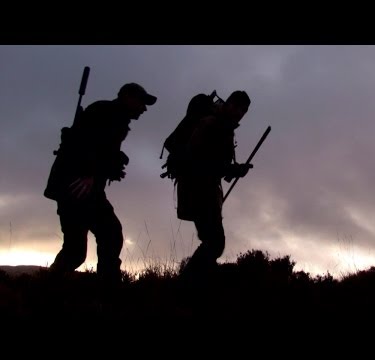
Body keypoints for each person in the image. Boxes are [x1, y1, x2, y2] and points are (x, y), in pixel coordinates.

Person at [44, 82, 157, 285]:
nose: (144, 108)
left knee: (102, 238)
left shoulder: (114, 118)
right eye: (141, 102)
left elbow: (101, 152)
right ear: (128, 97)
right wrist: (89, 173)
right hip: (77, 188)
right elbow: (83, 145)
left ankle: (104, 289)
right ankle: (53, 288)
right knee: (86, 246)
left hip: (85, 188)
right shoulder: (105, 112)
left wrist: (112, 166)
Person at [176, 90, 253, 287]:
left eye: (243, 110)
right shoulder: (212, 124)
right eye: (237, 107)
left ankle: (194, 291)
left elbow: (219, 166)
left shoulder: (224, 127)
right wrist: (233, 170)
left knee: (212, 243)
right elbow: (201, 160)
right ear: (228, 104)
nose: (239, 112)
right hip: (198, 189)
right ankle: (183, 289)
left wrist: (235, 170)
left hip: (205, 189)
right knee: (214, 243)